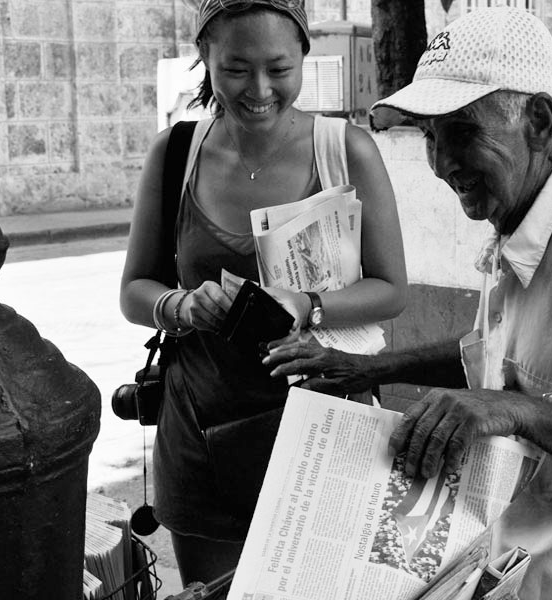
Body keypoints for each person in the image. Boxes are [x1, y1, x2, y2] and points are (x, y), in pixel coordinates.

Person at [265, 8, 552, 598]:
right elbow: (499, 362)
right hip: (541, 564)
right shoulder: (519, 220)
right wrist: (372, 369)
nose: (443, 162)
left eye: (463, 132)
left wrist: (510, 411)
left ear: (537, 120)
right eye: (432, 136)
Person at [119, 0, 407, 586]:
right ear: (204, 57)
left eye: (278, 69)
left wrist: (308, 304)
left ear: (304, 52)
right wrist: (178, 306)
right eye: (235, 69)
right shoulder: (175, 154)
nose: (258, 90)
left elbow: (392, 288)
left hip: (320, 427)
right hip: (200, 428)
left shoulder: (344, 150)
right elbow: (133, 290)